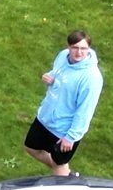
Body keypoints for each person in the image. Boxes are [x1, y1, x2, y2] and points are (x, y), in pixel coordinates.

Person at [24, 32, 101, 174]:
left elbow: (85, 110)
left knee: (59, 165)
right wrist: (50, 78)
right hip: (45, 118)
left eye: (83, 49)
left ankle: (63, 184)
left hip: (63, 130)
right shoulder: (62, 56)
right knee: (30, 147)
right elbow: (58, 73)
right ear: (69, 47)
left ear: (89, 49)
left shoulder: (91, 78)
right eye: (75, 47)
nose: (79, 52)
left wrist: (71, 137)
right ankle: (67, 174)